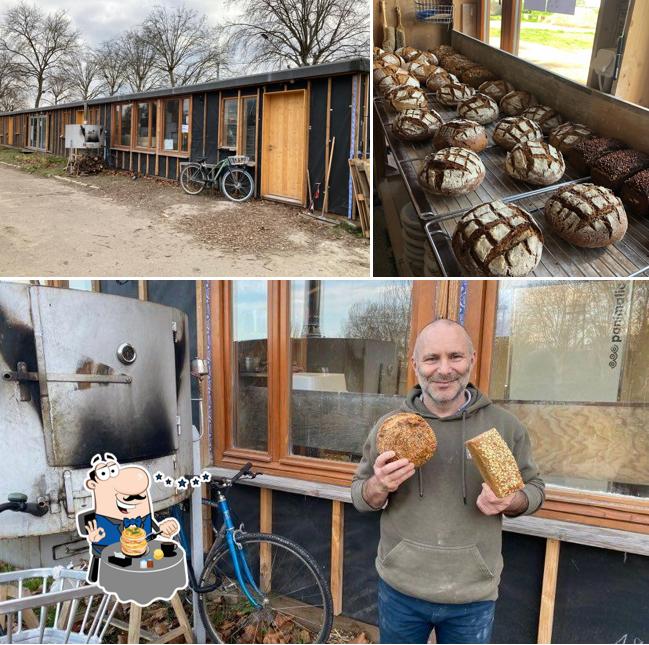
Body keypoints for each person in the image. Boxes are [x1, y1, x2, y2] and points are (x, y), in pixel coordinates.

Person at [351, 319, 545, 644]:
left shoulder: (504, 427)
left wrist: (511, 501)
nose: (444, 370)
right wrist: (379, 486)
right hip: (401, 590)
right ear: (415, 365)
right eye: (431, 359)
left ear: (472, 359)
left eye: (455, 356)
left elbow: (535, 489)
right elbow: (360, 495)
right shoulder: (391, 427)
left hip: (473, 597)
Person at [81, 453, 180, 583]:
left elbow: (152, 534)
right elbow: (103, 543)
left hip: (140, 556)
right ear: (93, 485)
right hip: (110, 555)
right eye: (105, 473)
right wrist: (94, 538)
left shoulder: (143, 517)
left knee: (151, 566)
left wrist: (163, 529)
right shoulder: (103, 520)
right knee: (125, 572)